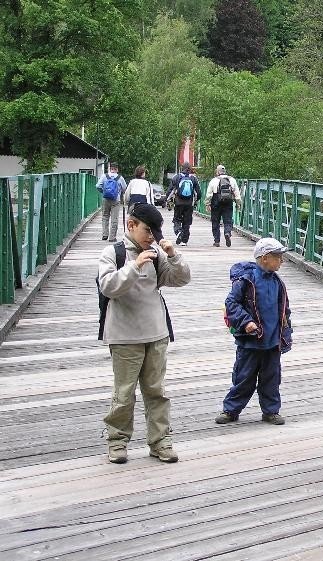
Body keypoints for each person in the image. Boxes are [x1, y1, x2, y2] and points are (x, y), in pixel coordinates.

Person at [97, 203, 191, 464]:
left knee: (156, 391)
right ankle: (117, 442)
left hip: (156, 333)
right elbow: (108, 287)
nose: (152, 237)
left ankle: (160, 441)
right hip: (124, 335)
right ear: (131, 225)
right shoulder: (112, 253)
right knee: (124, 393)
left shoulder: (156, 253)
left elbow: (181, 279)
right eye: (148, 230)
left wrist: (173, 256)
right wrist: (134, 265)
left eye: (155, 232)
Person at [215, 237, 293, 426]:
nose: (282, 261)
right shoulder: (246, 279)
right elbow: (231, 303)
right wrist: (246, 321)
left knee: (272, 377)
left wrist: (286, 333)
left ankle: (271, 411)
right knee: (244, 376)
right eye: (278, 257)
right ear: (265, 258)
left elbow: (285, 310)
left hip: (272, 340)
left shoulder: (277, 282)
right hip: (251, 340)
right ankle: (231, 409)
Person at [204, 164, 242, 247]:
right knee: (228, 220)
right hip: (228, 202)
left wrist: (207, 204)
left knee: (215, 221)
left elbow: (209, 194)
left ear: (217, 172)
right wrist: (238, 203)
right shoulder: (232, 180)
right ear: (225, 171)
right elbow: (237, 193)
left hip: (216, 201)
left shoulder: (214, 180)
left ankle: (217, 241)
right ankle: (227, 232)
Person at [166, 162, 201, 246]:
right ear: (190, 169)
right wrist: (196, 201)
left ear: (182, 168)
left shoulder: (176, 177)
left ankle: (178, 232)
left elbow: (170, 191)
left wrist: (168, 200)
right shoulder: (193, 178)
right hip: (189, 204)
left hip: (178, 203)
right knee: (187, 222)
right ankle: (184, 241)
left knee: (177, 219)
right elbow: (199, 193)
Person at [96, 161, 127, 242]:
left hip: (105, 199)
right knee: (114, 219)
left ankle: (104, 235)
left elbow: (98, 186)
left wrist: (104, 192)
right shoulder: (120, 177)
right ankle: (112, 237)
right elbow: (124, 188)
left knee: (105, 216)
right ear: (117, 169)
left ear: (110, 168)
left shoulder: (104, 176)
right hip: (116, 200)